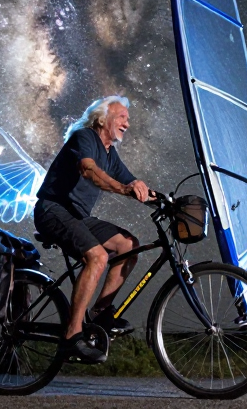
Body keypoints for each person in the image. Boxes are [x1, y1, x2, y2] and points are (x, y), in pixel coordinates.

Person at [33, 96, 151, 363]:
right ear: (103, 118)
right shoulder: (84, 137)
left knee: (128, 245)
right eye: (122, 117)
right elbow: (89, 171)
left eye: (127, 119)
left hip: (78, 217)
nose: (127, 124)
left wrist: (166, 201)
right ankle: (71, 337)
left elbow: (132, 182)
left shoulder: (110, 153)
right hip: (53, 210)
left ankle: (99, 312)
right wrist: (124, 188)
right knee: (97, 257)